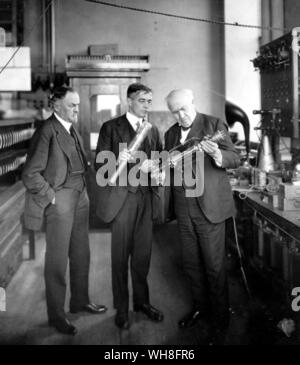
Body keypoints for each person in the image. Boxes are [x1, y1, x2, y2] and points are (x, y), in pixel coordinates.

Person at [22, 86, 107, 335]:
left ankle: (80, 301)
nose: (77, 110)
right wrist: (52, 197)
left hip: (80, 197)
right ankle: (57, 316)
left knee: (81, 254)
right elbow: (30, 174)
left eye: (78, 105)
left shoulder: (71, 129)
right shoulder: (46, 131)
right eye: (72, 105)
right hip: (60, 201)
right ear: (57, 106)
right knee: (57, 261)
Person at [164, 89, 240, 344]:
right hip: (184, 208)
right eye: (175, 111)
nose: (180, 115)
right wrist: (165, 167)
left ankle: (220, 319)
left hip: (209, 208)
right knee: (192, 264)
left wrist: (217, 155)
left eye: (184, 108)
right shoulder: (170, 134)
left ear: (193, 102)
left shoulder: (214, 125)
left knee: (214, 266)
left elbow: (235, 157)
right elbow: (169, 169)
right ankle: (199, 308)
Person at [94, 83, 164, 330]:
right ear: (129, 101)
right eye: (143, 100)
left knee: (143, 256)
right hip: (122, 200)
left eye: (150, 100)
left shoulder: (152, 130)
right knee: (120, 257)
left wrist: (156, 170)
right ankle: (122, 308)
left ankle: (142, 303)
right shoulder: (111, 128)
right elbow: (101, 168)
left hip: (146, 198)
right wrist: (122, 163)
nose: (148, 105)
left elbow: (159, 162)